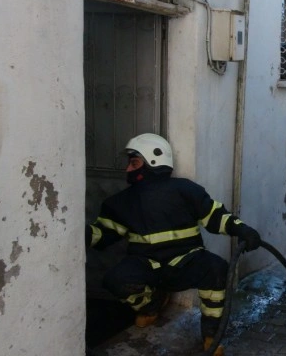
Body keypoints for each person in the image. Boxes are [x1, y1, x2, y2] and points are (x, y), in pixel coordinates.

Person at [85, 133, 261, 356]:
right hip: (145, 266)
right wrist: (77, 235)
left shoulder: (185, 191)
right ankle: (152, 305)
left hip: (187, 261)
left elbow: (216, 217)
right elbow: (104, 234)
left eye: (134, 163)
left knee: (217, 269)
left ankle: (211, 334)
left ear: (153, 161)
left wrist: (243, 230)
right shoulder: (121, 202)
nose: (128, 170)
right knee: (115, 280)